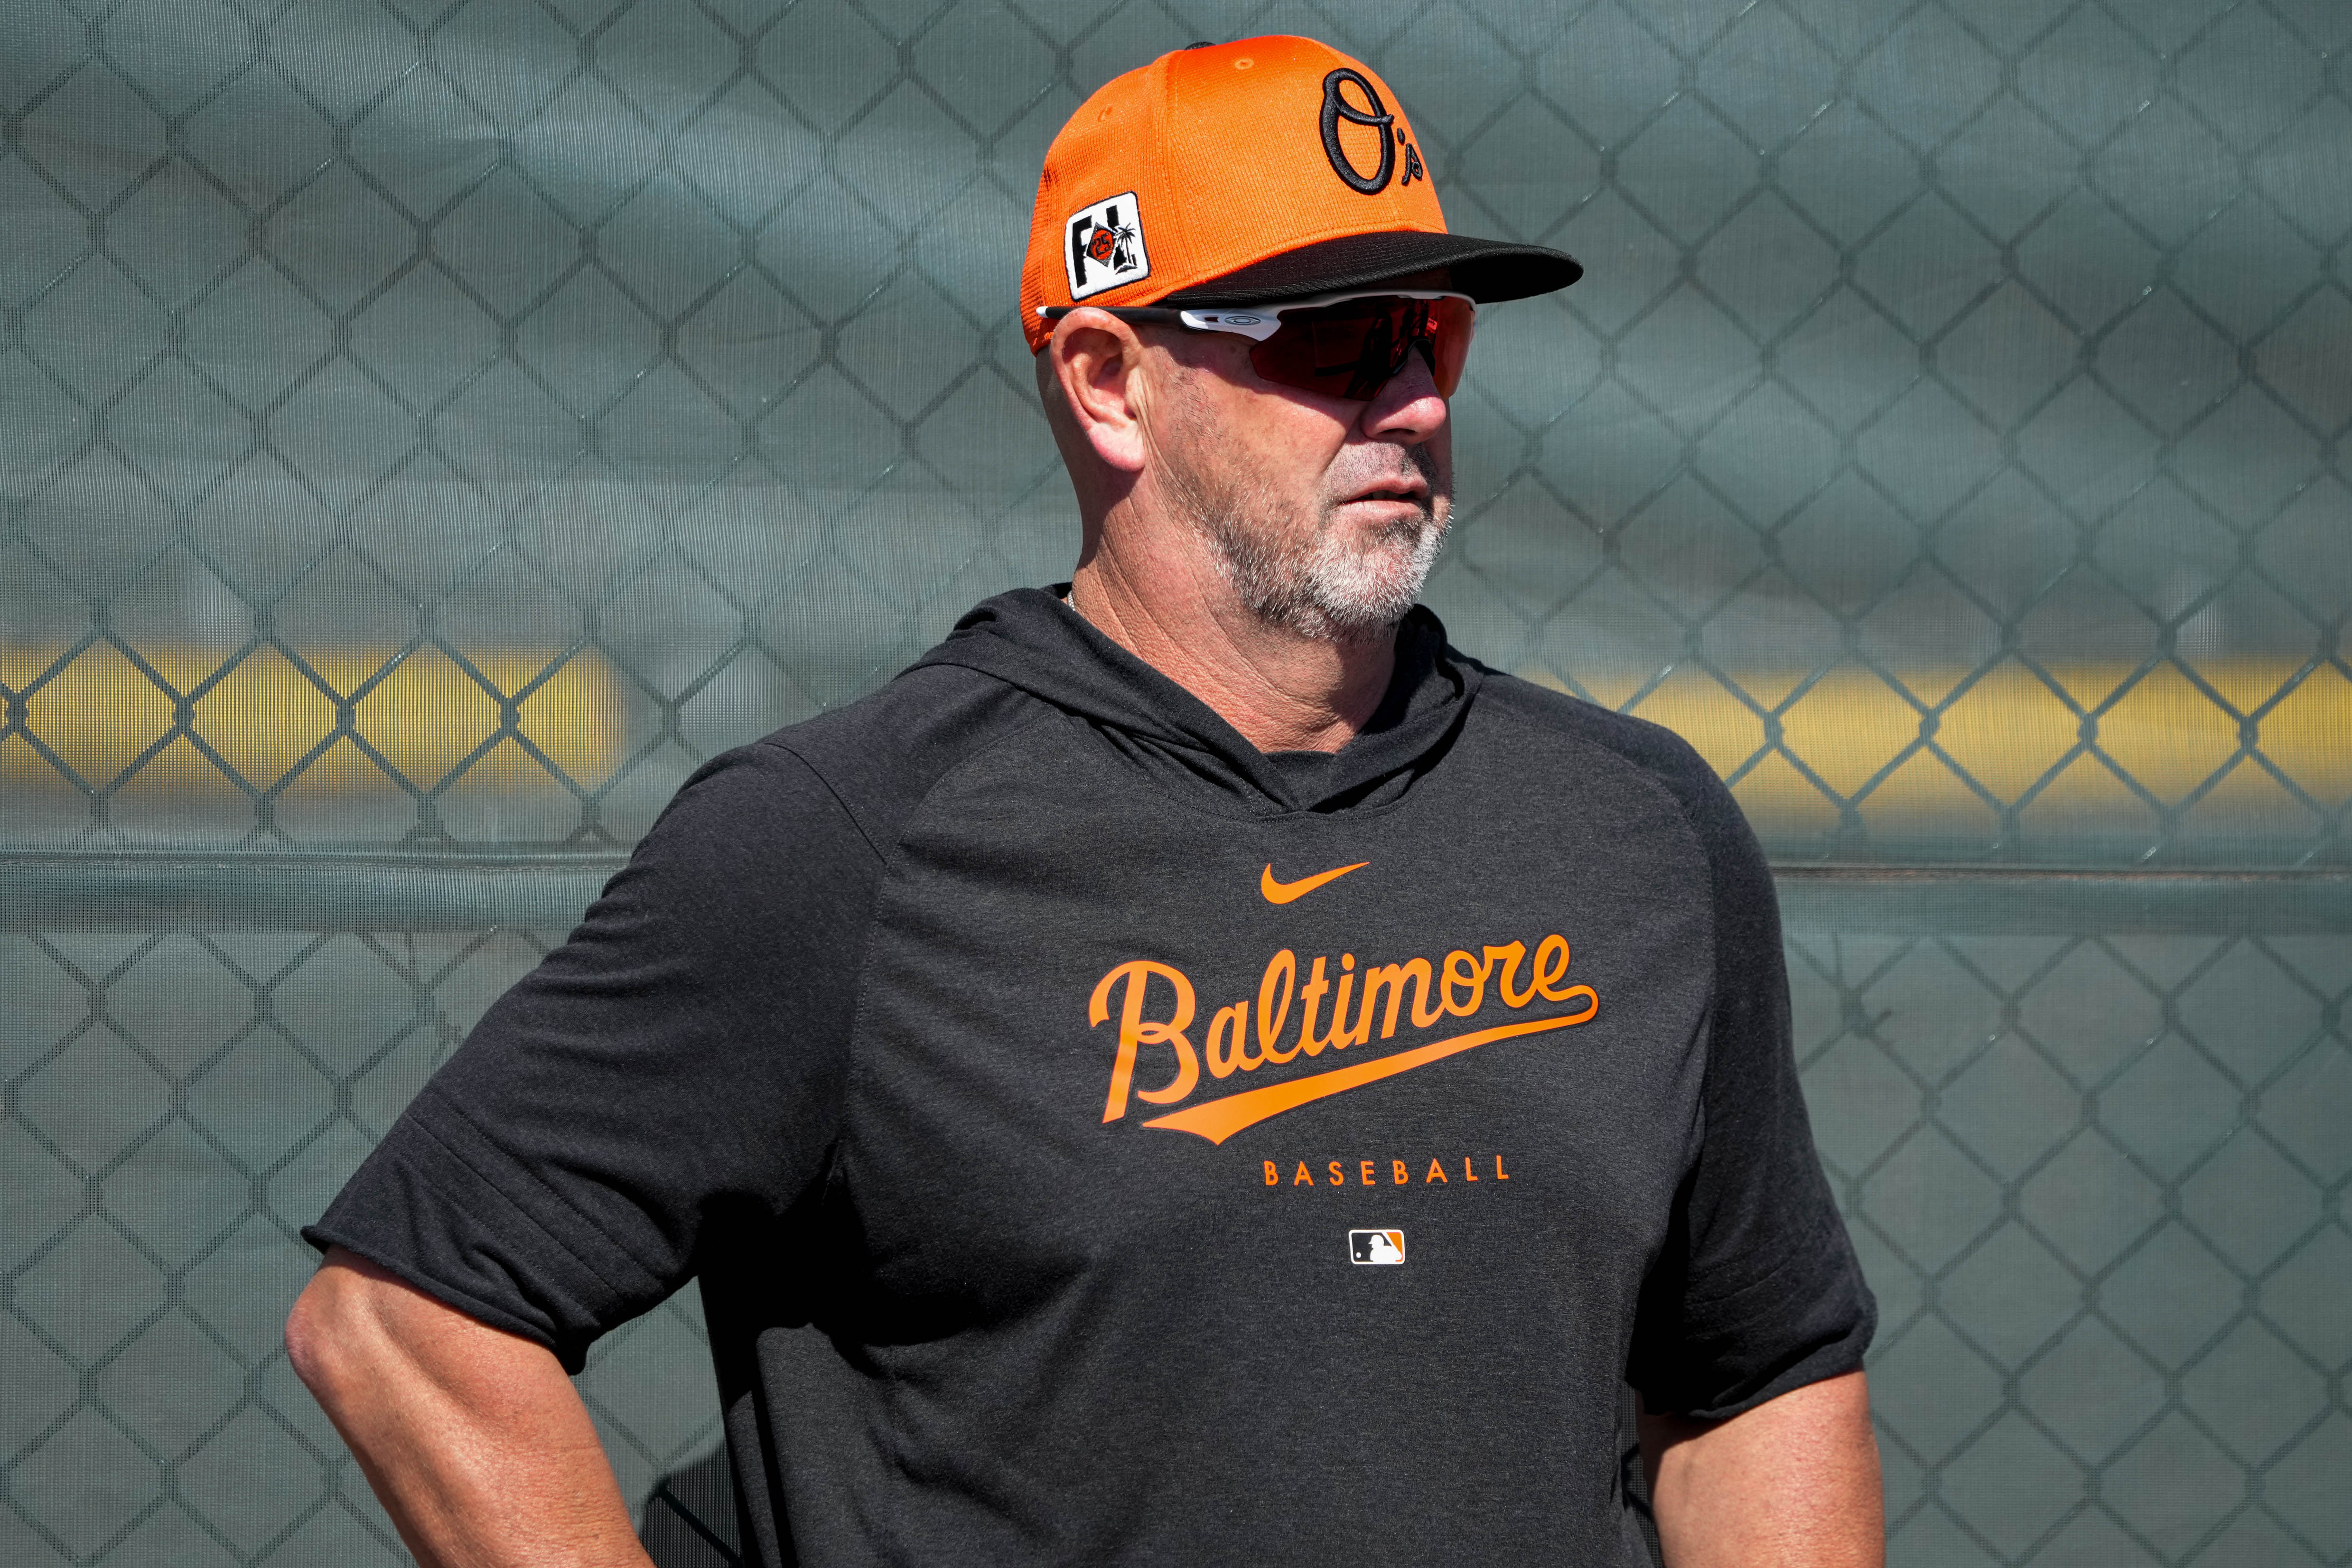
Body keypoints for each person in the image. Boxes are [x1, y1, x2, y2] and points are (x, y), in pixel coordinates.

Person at [287, 35, 1881, 1568]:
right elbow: (405, 1323)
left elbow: (1758, 1375)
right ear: (1111, 381)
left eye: (1428, 332)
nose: (1406, 400)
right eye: (1327, 339)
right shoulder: (846, 839)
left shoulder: (1633, 826)